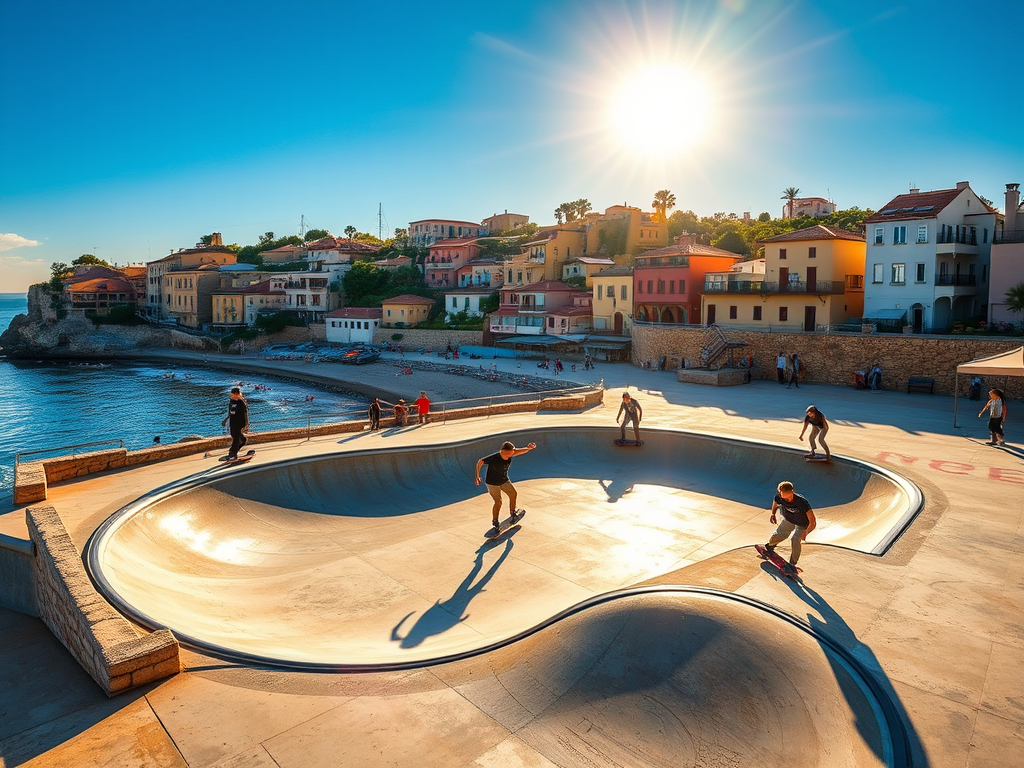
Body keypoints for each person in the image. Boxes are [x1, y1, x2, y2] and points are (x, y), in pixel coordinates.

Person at [475, 440, 537, 530]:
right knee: (498, 502)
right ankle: (495, 521)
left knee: (513, 494)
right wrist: (477, 476)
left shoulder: (511, 453)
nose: (510, 456)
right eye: (508, 454)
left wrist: (528, 448)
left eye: (512, 454)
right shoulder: (494, 458)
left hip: (504, 480)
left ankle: (513, 512)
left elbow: (519, 451)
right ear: (503, 451)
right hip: (492, 483)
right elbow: (480, 462)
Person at [763, 481, 817, 573]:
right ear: (780, 494)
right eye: (784, 498)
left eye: (789, 497)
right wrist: (773, 514)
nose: (787, 500)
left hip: (802, 524)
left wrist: (806, 532)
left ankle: (792, 563)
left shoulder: (802, 502)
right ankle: (770, 546)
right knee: (780, 534)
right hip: (789, 519)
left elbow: (813, 521)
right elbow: (775, 503)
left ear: (792, 491)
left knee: (795, 539)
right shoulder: (779, 497)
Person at [220, 386, 249, 460]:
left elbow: (245, 413)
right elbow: (230, 412)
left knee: (236, 438)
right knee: (241, 439)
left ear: (237, 394)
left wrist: (246, 423)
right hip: (232, 422)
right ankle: (234, 451)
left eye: (232, 395)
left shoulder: (241, 402)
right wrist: (225, 420)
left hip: (239, 422)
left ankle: (232, 453)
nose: (231, 396)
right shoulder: (231, 401)